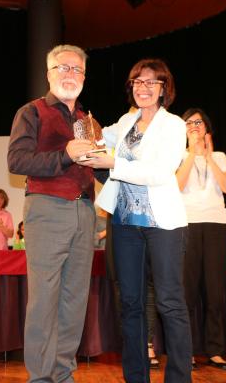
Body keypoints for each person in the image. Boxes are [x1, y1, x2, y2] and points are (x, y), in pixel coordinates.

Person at [81, 58, 192, 382]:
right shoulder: (126, 123)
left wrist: (113, 163)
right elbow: (99, 136)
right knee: (130, 303)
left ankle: (179, 377)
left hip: (163, 226)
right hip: (125, 225)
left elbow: (160, 172)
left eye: (151, 82)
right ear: (131, 88)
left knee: (170, 302)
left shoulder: (173, 125)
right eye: (137, 82)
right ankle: (135, 376)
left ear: (163, 89)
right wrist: (80, 123)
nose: (143, 88)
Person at [8, 44, 96, 382]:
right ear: (49, 73)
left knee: (74, 299)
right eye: (63, 68)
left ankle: (63, 373)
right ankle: (41, 377)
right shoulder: (31, 111)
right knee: (44, 298)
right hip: (46, 209)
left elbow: (99, 168)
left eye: (77, 69)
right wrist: (65, 154)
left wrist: (112, 162)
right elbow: (17, 162)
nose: (70, 74)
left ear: (85, 77)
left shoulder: (90, 121)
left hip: (85, 212)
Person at [176, 107, 226, 370]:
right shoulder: (178, 156)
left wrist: (208, 156)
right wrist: (191, 152)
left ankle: (215, 350)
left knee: (215, 292)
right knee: (186, 292)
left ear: (207, 128)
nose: (194, 125)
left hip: (216, 226)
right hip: (186, 224)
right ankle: (185, 351)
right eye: (189, 123)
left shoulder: (220, 156)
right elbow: (176, 187)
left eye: (198, 122)